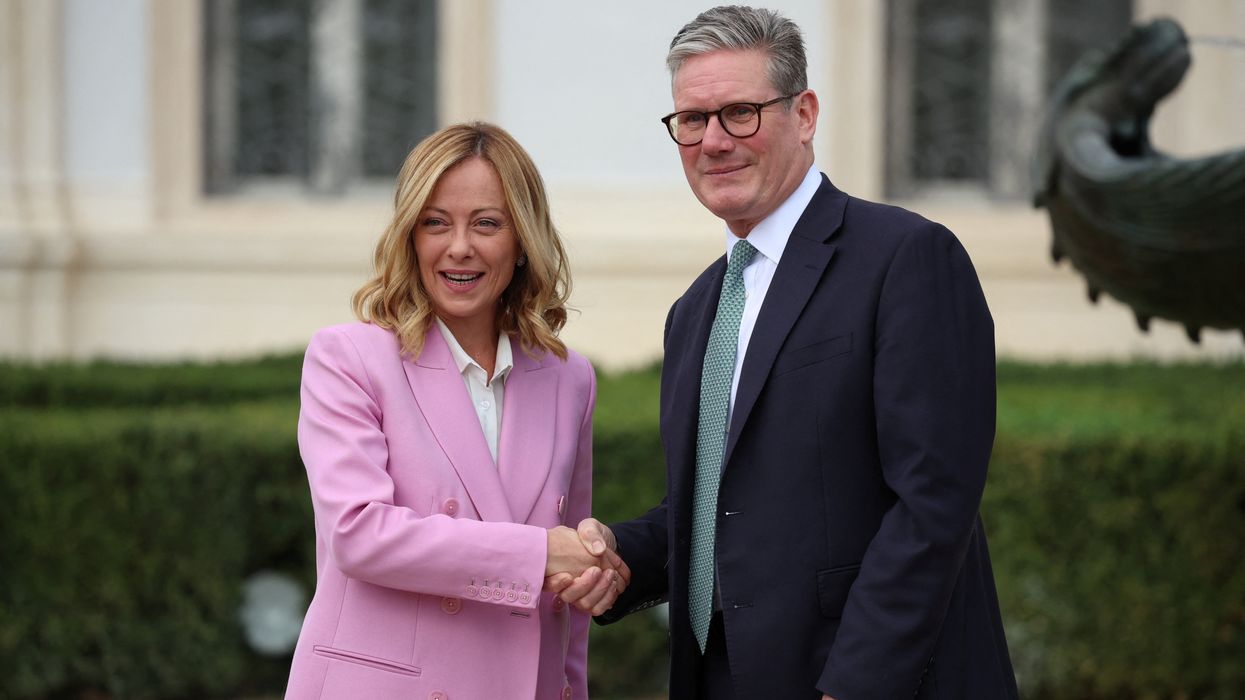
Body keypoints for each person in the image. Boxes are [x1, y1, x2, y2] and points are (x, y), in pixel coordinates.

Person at [552, 6, 1019, 699]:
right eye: (692, 119)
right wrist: (620, 558)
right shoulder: (695, 311)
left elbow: (931, 504)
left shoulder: (906, 259)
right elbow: (716, 505)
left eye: (740, 112)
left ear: (803, 115)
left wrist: (853, 685)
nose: (713, 141)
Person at [285, 122, 629, 700]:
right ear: (410, 237)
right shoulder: (349, 358)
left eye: (487, 223)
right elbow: (358, 533)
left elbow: (562, 597)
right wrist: (541, 553)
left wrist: (590, 572)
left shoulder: (570, 378)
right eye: (435, 222)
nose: (459, 246)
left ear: (522, 241)